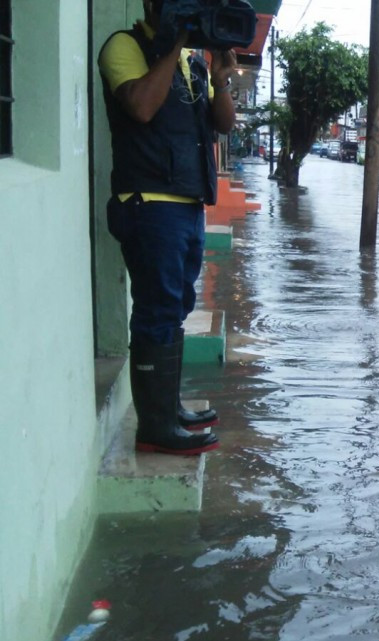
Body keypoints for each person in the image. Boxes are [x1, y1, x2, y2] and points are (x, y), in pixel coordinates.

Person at [99, 0, 237, 455]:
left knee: (175, 307)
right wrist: (174, 40)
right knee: (157, 309)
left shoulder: (192, 63)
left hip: (187, 204)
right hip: (148, 203)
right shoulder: (124, 46)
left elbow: (223, 124)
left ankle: (167, 409)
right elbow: (141, 107)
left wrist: (220, 80)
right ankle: (154, 429)